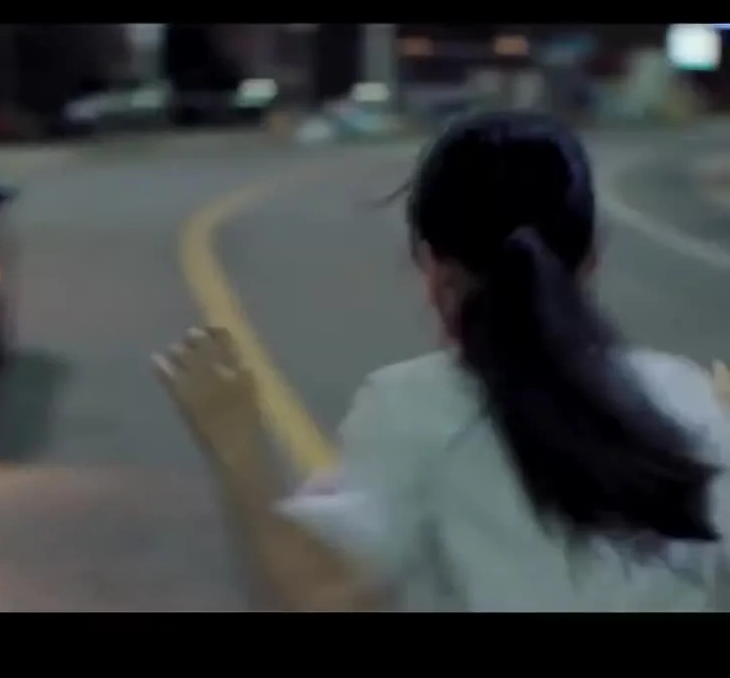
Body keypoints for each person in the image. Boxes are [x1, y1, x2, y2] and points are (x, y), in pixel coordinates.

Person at [156, 111, 730, 611]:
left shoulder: (415, 407)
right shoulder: (685, 397)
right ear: (591, 258)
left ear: (434, 268)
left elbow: (317, 597)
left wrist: (239, 449)